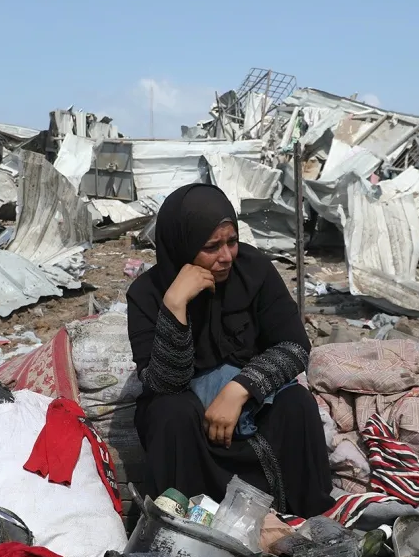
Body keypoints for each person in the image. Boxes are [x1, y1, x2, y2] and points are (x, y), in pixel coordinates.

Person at [126, 184, 334, 517]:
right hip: (191, 422)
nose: (226, 257)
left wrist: (238, 391)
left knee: (297, 404)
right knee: (169, 414)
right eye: (211, 247)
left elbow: (294, 347)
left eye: (232, 242)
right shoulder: (147, 294)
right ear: (181, 247)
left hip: (252, 405)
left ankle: (301, 518)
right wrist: (175, 306)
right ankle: (190, 526)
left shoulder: (254, 271)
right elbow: (163, 383)